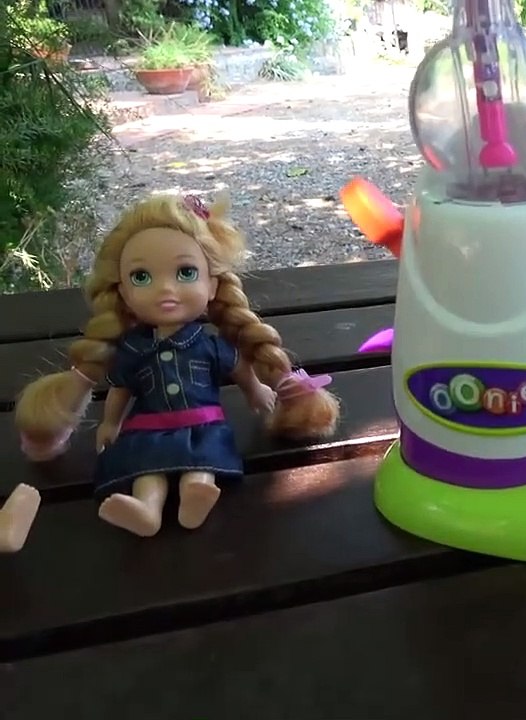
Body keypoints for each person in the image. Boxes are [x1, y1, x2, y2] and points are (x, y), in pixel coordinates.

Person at [12, 193, 340, 544]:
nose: (165, 288)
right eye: (141, 277)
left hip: (202, 424)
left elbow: (240, 369)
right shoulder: (134, 348)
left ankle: (196, 493)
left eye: (185, 272)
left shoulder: (209, 344)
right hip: (147, 430)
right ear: (121, 291)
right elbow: (122, 388)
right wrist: (111, 422)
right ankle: (146, 511)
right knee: (146, 473)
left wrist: (258, 389)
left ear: (212, 285)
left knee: (201, 464)